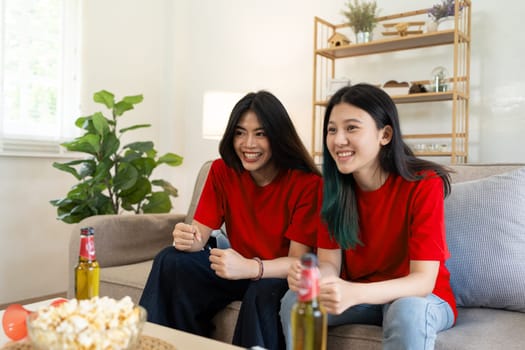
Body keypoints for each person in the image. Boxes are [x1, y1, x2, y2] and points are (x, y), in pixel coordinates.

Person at [139, 90, 322, 350]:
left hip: (276, 275)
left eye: (260, 133)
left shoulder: (308, 184)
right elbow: (199, 235)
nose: (248, 143)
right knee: (171, 260)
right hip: (236, 270)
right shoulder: (221, 170)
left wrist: (252, 268)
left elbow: (297, 262)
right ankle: (155, 345)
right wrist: (188, 238)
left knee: (263, 290)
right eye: (239, 132)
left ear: (278, 136)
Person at [280, 83, 456, 350]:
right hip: (359, 294)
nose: (338, 140)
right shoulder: (332, 189)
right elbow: (330, 264)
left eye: (351, 128)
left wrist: (355, 292)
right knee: (296, 300)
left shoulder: (424, 184)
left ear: (384, 134)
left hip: (421, 296)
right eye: (332, 130)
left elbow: (422, 280)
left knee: (406, 310)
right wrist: (316, 277)